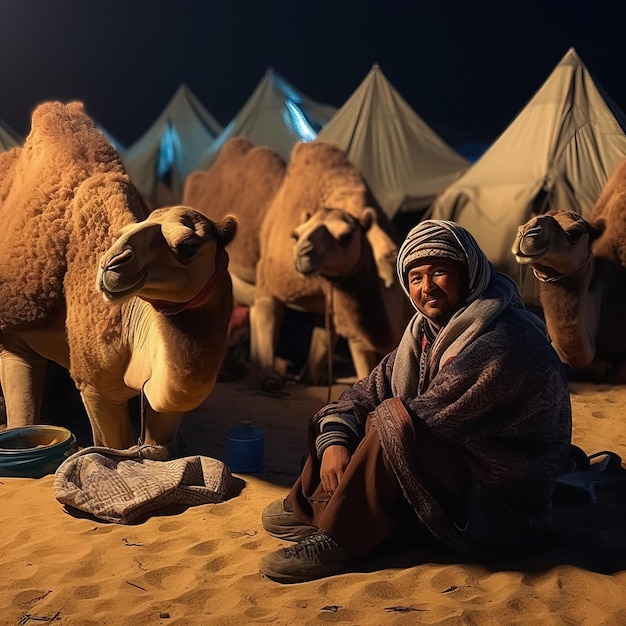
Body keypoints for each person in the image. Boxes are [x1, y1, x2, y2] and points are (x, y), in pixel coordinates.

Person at [258, 219, 572, 584]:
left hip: (499, 496)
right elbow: (365, 391)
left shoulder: (504, 339)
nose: (427, 288)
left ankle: (341, 535)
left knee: (394, 419)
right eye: (416, 277)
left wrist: (365, 426)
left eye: (440, 272)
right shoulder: (425, 333)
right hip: (460, 462)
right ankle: (316, 503)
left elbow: (425, 417)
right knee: (361, 416)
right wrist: (335, 440)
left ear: (468, 274)